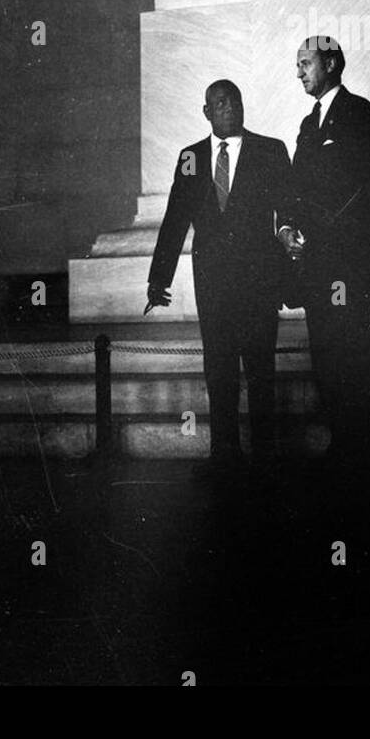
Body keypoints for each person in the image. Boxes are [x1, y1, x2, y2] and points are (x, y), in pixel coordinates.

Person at [146, 80, 292, 470]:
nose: (231, 108)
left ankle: (265, 455)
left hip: (260, 281)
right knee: (219, 368)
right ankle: (224, 453)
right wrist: (159, 278)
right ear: (207, 112)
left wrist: (288, 247)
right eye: (221, 103)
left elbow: (289, 209)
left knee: (261, 368)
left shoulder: (270, 150)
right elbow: (175, 219)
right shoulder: (190, 158)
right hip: (213, 283)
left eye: (236, 101)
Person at [277, 38, 370, 463]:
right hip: (318, 264)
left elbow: (354, 187)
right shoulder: (309, 125)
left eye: (306, 63)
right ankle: (346, 441)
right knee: (325, 350)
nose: (300, 72)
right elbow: (295, 186)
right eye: (298, 64)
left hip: (349, 260)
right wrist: (287, 227)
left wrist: (313, 232)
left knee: (354, 347)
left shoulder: (358, 112)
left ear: (331, 63)